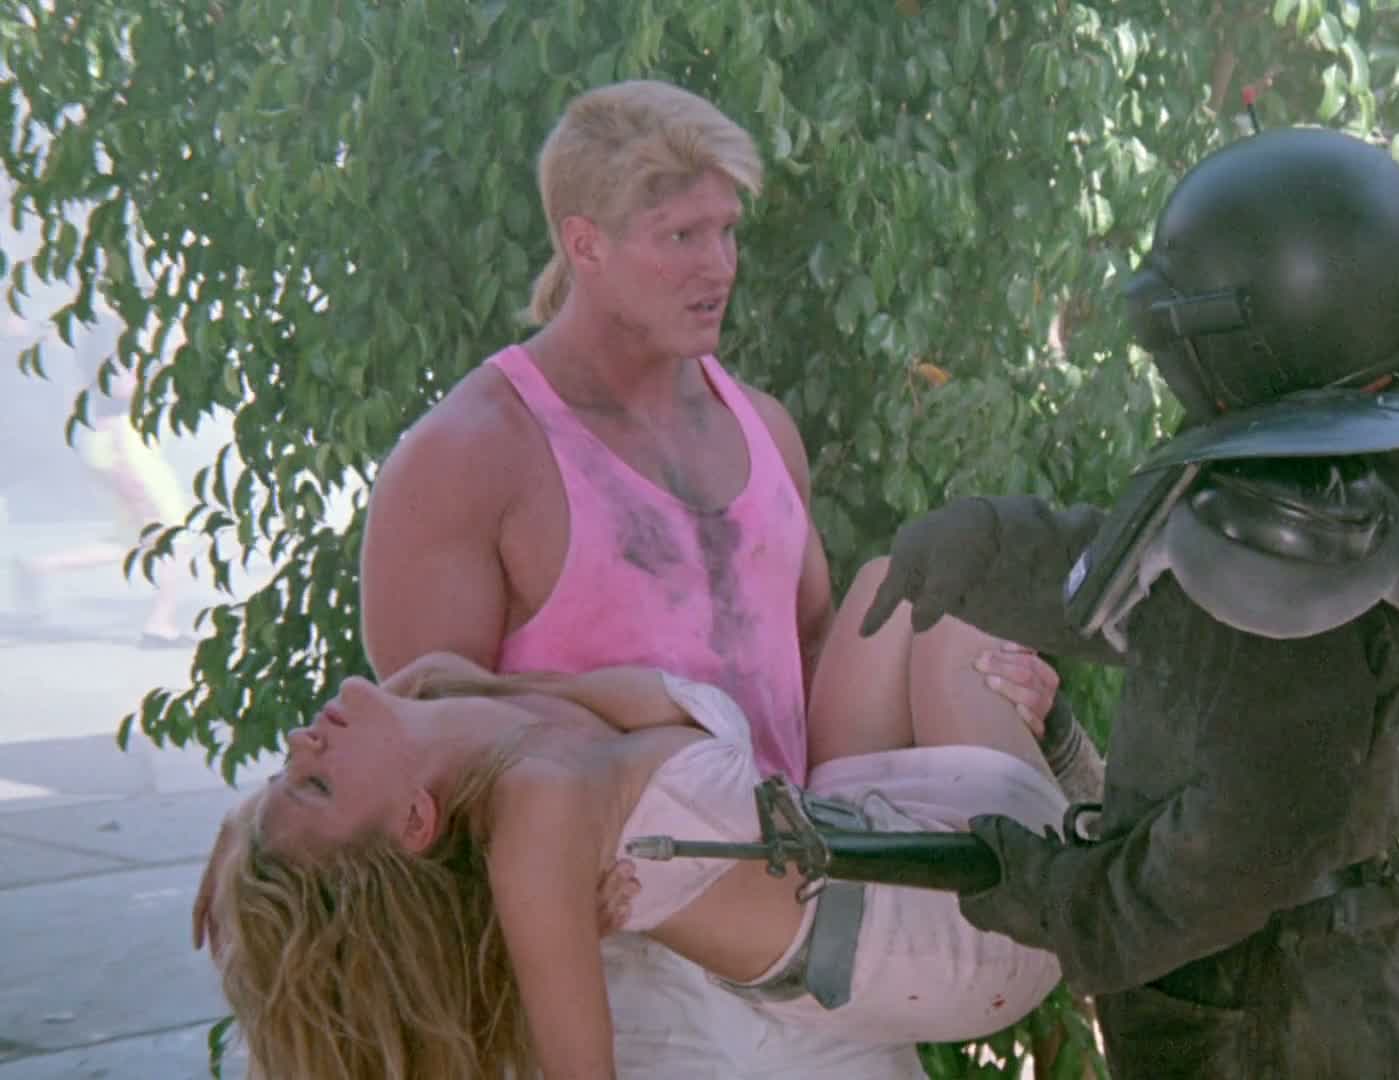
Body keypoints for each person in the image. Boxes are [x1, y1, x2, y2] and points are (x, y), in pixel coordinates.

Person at [204, 78, 1067, 1079]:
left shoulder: (761, 424)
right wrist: (257, 842)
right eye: (680, 236)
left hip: (810, 916)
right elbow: (421, 774)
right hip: (634, 966)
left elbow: (815, 657)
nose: (719, 267)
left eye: (727, 231)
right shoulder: (469, 457)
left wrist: (981, 698)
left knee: (925, 592)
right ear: (585, 244)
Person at [857, 128, 1399, 1078]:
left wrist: (1051, 894)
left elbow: (1232, 854)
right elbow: (1165, 593)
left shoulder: (1297, 540)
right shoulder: (1373, 460)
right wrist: (989, 553)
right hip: (1332, 989)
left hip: (1269, 1028)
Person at [204, 557, 1069, 1080]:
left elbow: (360, 783)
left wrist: (242, 845)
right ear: (414, 822)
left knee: (903, 582)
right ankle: (1094, 814)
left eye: (283, 769)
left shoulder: (456, 702)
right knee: (966, 591)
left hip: (871, 833)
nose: (302, 744)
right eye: (314, 786)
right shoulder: (535, 835)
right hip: (975, 924)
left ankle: (1069, 778)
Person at [12, 323, 192, 646]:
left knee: (133, 540)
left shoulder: (100, 350)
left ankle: (40, 567)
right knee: (173, 540)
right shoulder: (114, 352)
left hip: (109, 441)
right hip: (125, 444)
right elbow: (124, 391)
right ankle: (160, 624)